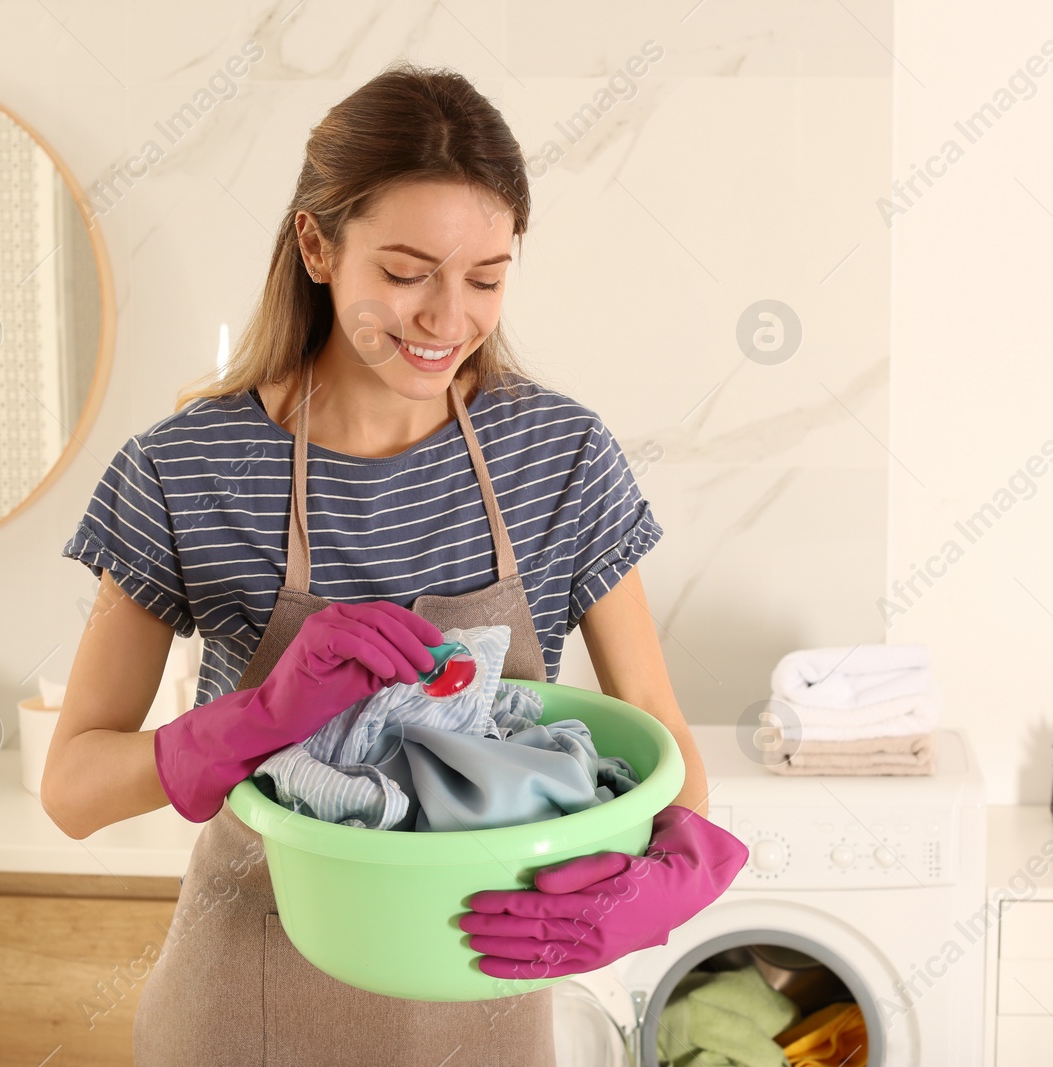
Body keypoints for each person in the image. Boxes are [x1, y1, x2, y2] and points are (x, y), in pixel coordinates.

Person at [42, 60, 748, 1065]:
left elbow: (661, 733)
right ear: (316, 244)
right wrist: (247, 722)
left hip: (489, 987)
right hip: (250, 989)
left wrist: (674, 864)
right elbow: (72, 786)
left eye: (486, 278)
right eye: (407, 271)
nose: (445, 319)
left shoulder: (560, 455)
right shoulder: (183, 467)